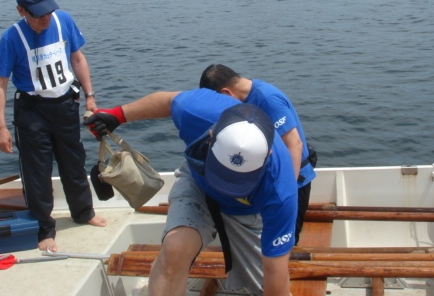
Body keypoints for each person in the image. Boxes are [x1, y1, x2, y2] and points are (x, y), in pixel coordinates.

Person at [85, 89, 298, 296]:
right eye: (222, 172)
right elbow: (168, 101)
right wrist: (117, 115)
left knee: (268, 286)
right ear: (211, 135)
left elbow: (275, 270)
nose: (226, 186)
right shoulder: (196, 110)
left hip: (246, 210)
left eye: (237, 179)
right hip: (198, 183)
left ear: (268, 155)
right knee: (175, 249)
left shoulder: (281, 190)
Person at [0, 0, 107, 252]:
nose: (45, 18)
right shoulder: (11, 38)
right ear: (21, 11)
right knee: (37, 173)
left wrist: (90, 95)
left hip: (66, 105)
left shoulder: (63, 21)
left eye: (48, 11)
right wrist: (0, 128)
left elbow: (77, 58)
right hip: (32, 111)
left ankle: (83, 212)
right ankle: (44, 228)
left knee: (74, 162)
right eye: (37, 14)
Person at [199, 64, 316, 244]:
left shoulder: (267, 99)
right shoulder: (243, 99)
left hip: (293, 180)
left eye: (218, 101)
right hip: (267, 180)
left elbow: (294, 144)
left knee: (285, 242)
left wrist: (287, 192)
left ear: (226, 92)